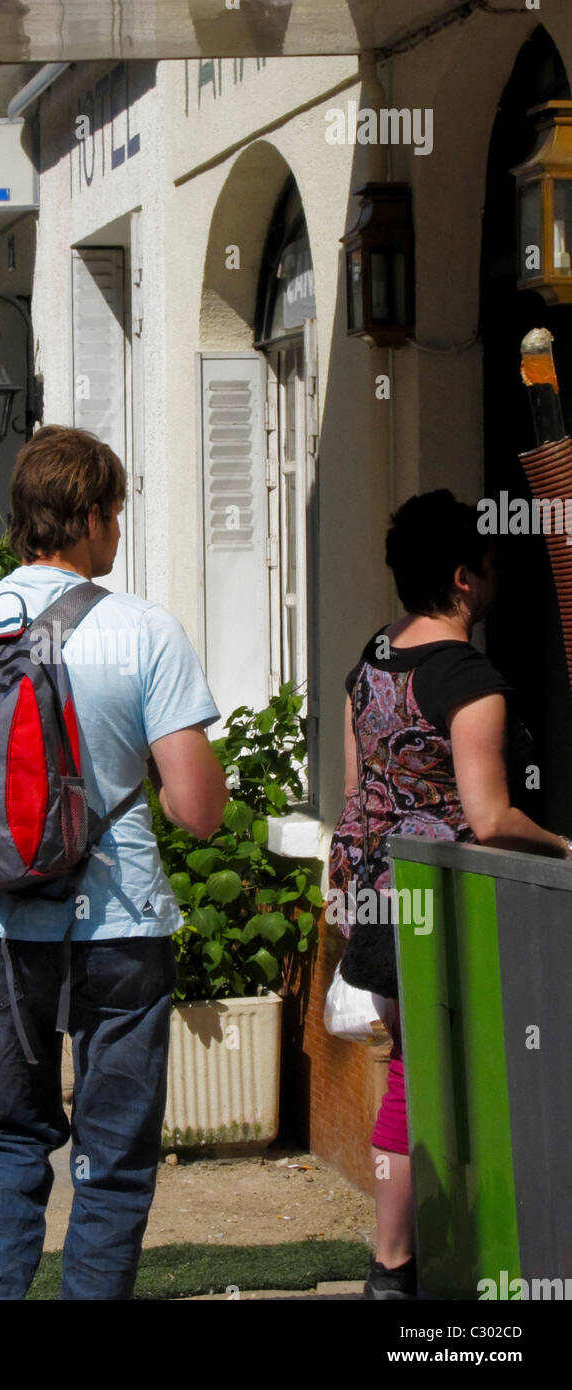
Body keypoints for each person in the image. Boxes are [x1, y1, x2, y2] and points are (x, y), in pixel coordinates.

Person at [0, 425, 229, 1300]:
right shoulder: (143, 629)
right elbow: (196, 810)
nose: (117, 529)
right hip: (117, 927)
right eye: (113, 512)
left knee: (10, 1135)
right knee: (112, 1157)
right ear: (85, 517)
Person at [329, 489, 571, 1301]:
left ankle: (429, 1252)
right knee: (429, 1078)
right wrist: (564, 845)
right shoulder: (467, 679)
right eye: (494, 566)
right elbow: (489, 815)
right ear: (464, 578)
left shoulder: (374, 654)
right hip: (441, 910)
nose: (500, 580)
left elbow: (358, 789)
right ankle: (396, 1264)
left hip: (373, 893)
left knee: (414, 1071)